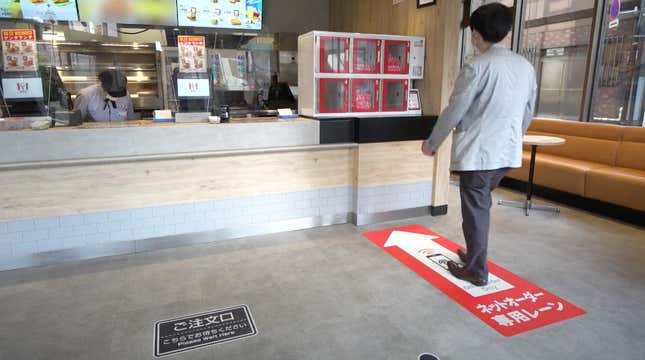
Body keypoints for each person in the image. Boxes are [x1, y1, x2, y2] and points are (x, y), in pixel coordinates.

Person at [422, 3, 537, 286]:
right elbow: (528, 111)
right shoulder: (525, 67)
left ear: (475, 34)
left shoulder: (476, 66)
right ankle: (474, 254)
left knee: (475, 210)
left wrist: (432, 142)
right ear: (507, 32)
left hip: (479, 154)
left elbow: (454, 110)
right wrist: (513, 138)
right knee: (480, 204)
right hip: (507, 154)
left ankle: (476, 269)